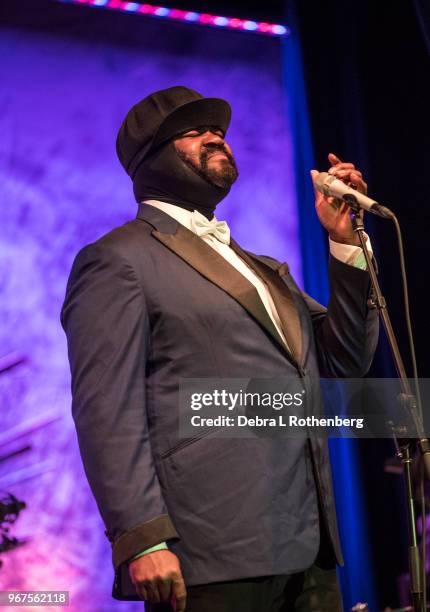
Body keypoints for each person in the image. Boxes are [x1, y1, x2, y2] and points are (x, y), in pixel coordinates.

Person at [61, 86, 379, 611]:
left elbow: (343, 359)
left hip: (308, 547)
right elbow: (105, 412)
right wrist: (143, 537)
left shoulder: (262, 268)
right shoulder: (118, 260)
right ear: (150, 157)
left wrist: (346, 241)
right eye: (193, 132)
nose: (216, 138)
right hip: (207, 554)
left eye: (221, 132)